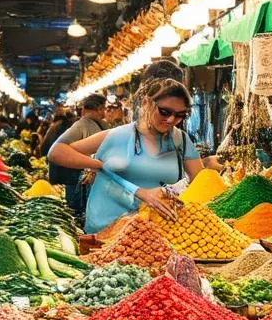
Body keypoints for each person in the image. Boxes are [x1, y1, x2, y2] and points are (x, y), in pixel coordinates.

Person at [52, 79, 202, 234]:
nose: (171, 120)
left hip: (157, 235)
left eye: (180, 115)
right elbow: (57, 152)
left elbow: (201, 184)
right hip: (107, 233)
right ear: (146, 103)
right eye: (164, 111)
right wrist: (98, 165)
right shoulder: (117, 136)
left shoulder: (181, 141)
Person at [47, 95, 109, 213]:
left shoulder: (99, 124)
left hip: (89, 179)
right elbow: (57, 150)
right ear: (100, 108)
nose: (105, 113)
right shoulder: (82, 124)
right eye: (105, 108)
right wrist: (95, 164)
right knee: (78, 212)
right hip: (78, 180)